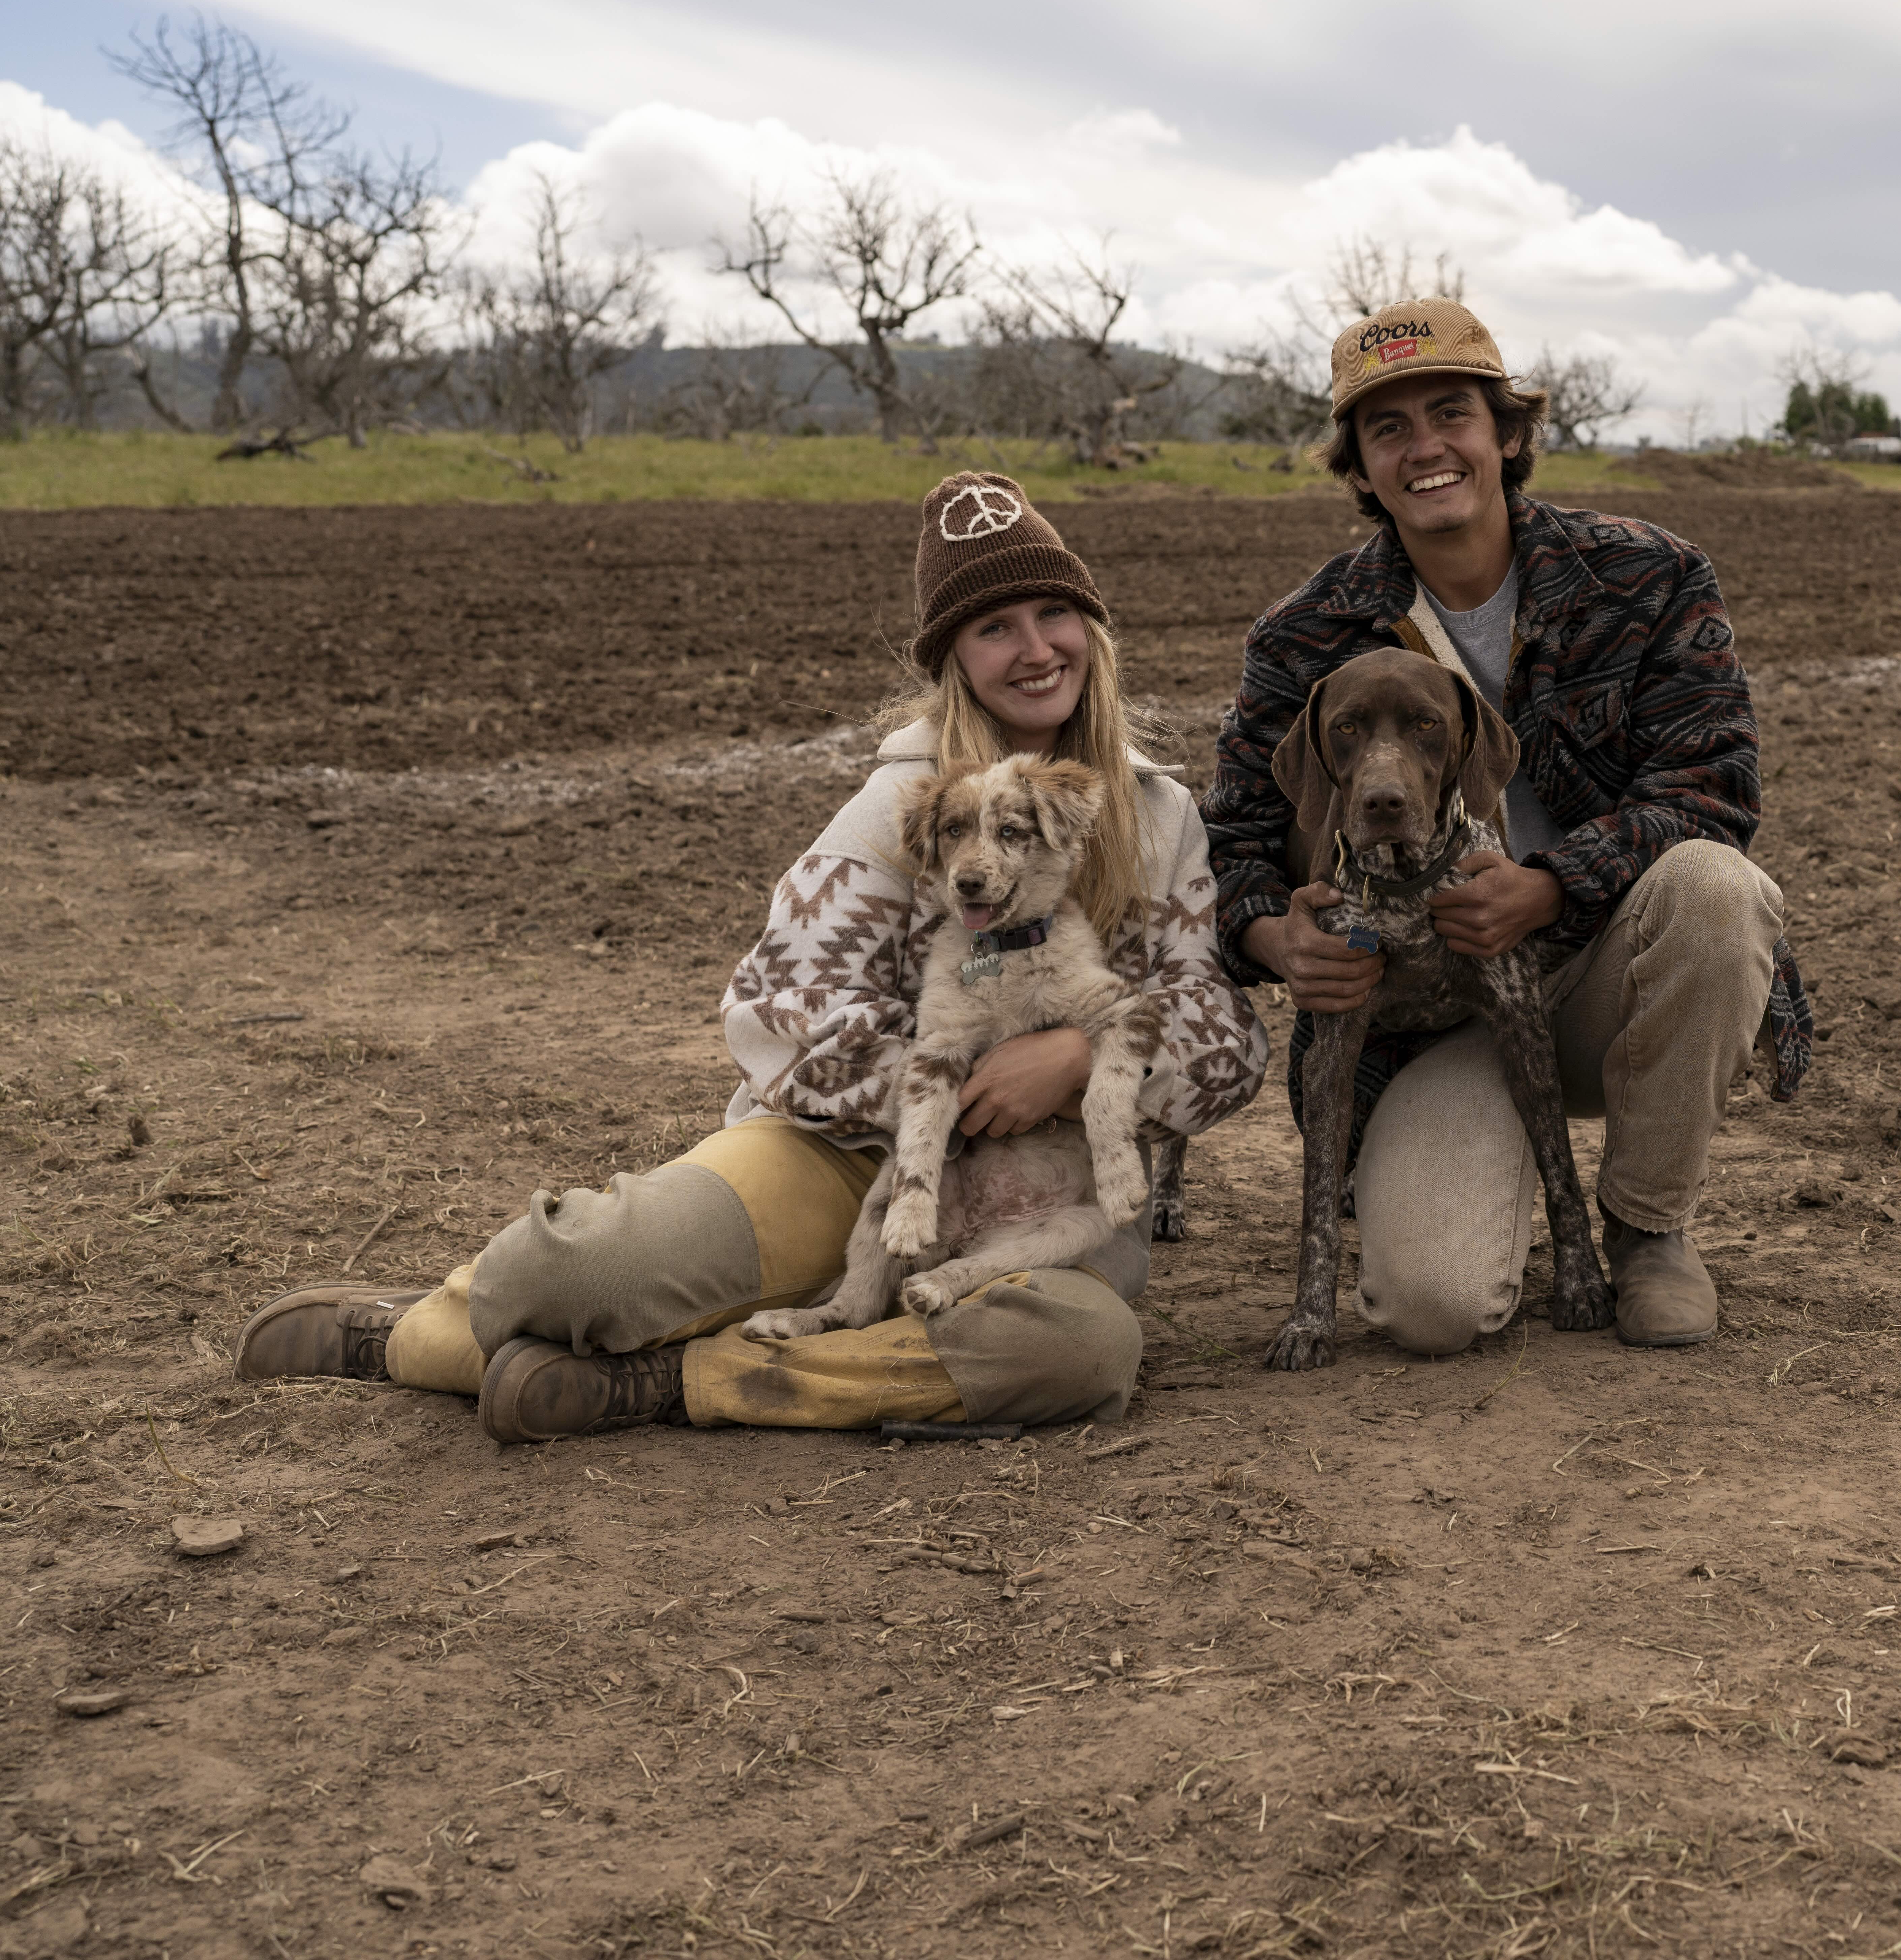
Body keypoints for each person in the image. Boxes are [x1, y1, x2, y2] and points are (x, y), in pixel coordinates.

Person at [232, 473, 1270, 1439]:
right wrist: (952, 1092)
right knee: (576, 1269)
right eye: (995, 628)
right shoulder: (898, 810)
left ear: (1091, 628)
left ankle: (672, 1380)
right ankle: (414, 1331)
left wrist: (1077, 1063)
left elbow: (1221, 1033)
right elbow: (781, 1013)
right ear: (955, 657)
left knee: (1079, 1350)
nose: (1035, 648)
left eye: (1054, 615)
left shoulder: (1155, 815)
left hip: (1048, 1189)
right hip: (843, 1156)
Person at [1203, 297, 1810, 1356]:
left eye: (1452, 415)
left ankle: (1648, 1230)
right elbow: (1236, 843)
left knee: (1717, 889)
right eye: (1388, 429)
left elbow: (1715, 788)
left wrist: (1551, 884)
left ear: (1509, 433)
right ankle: (1454, 1173)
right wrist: (1276, 939)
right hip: (1421, 1021)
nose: (1425, 448)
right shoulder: (1306, 636)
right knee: (1435, 1311)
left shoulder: (1651, 578)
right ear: (1360, 466)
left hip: (1598, 974)